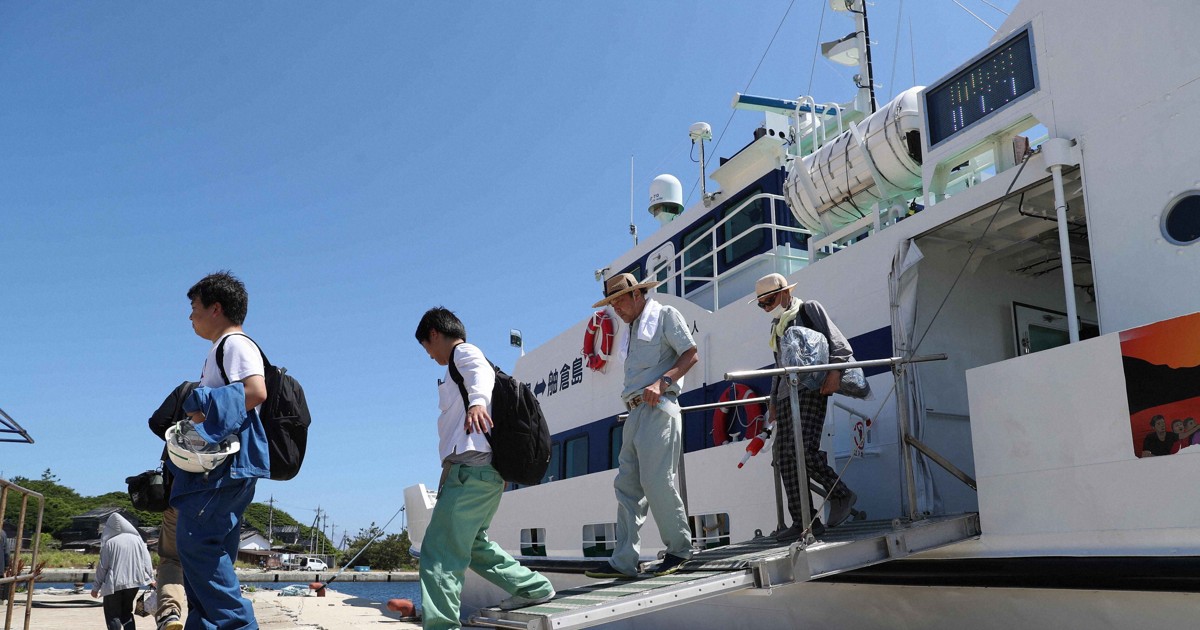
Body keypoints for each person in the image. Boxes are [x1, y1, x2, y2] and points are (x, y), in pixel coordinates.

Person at [415, 307, 555, 629]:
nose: (430, 356)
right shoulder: (458, 364)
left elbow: (480, 371)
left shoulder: (462, 353)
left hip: (469, 471)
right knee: (474, 545)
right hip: (486, 474)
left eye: (426, 347)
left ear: (434, 334)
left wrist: (477, 402)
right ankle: (533, 588)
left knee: (438, 555)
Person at [169, 270, 270, 629]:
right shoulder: (222, 348)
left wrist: (199, 404)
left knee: (198, 545)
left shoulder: (235, 344)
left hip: (223, 468)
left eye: (194, 308)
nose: (190, 316)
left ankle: (239, 625)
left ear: (215, 308)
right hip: (228, 467)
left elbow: (255, 391)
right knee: (211, 553)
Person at [584, 274, 698, 579]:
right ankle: (624, 560)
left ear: (637, 295)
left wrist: (663, 382)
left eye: (619, 300)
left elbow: (691, 354)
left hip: (658, 408)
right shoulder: (633, 330)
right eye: (611, 303)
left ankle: (679, 550)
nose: (616, 308)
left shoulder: (665, 315)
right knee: (627, 486)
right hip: (634, 414)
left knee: (657, 480)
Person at [752, 273, 857, 541]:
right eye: (761, 304)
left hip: (810, 388)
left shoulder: (809, 309)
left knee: (803, 450)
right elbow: (779, 367)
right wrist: (773, 402)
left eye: (769, 301)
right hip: (786, 395)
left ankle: (841, 494)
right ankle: (804, 521)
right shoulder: (777, 326)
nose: (766, 308)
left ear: (785, 292)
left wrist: (834, 373)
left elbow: (839, 344)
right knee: (783, 457)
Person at [147, 381, 198, 630]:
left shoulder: (188, 389)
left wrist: (178, 442)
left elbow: (157, 422)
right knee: (215, 556)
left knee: (171, 558)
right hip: (221, 493)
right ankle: (209, 615)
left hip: (178, 487)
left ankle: (169, 612)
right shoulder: (241, 391)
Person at [91, 513, 155, 630]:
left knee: (113, 615)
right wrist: (151, 579)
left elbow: (102, 567)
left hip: (114, 585)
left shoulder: (110, 543)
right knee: (127, 612)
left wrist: (96, 587)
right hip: (133, 583)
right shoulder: (139, 541)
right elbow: (146, 562)